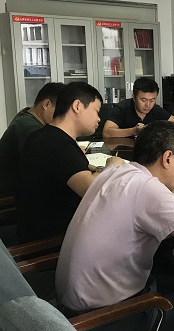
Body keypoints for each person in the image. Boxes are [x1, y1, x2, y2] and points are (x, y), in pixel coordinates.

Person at [55, 120, 174, 331]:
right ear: (168, 158)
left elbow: (153, 196)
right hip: (105, 321)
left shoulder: (115, 171)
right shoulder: (149, 190)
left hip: (71, 309)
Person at [16, 82, 124, 243]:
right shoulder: (57, 144)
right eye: (96, 111)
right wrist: (113, 165)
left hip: (43, 226)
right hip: (53, 238)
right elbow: (92, 189)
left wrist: (97, 169)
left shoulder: (45, 135)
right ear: (77, 106)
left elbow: (70, 169)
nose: (99, 118)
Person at [0, 82, 64, 195]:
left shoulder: (27, 113)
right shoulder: (29, 126)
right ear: (46, 104)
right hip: (10, 188)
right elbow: (46, 162)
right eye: (60, 111)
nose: (62, 116)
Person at [102, 77, 174, 138]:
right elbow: (106, 132)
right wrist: (134, 131)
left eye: (152, 100)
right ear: (134, 97)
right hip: (123, 150)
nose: (148, 105)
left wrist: (161, 129)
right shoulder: (122, 108)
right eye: (143, 100)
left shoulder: (156, 110)